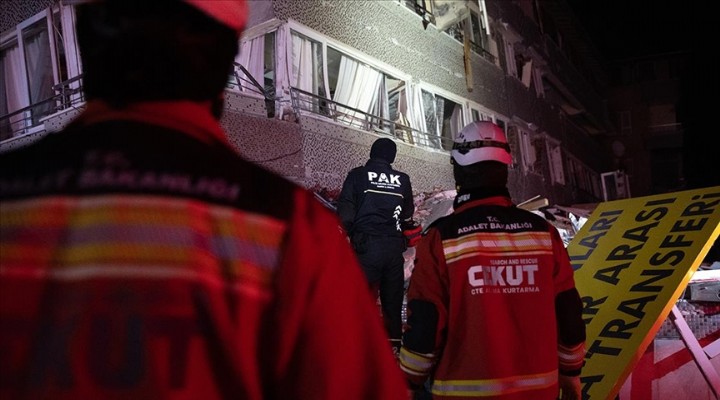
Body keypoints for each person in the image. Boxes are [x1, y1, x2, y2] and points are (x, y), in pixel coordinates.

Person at [0, 1, 408, 399]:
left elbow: (352, 210)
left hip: (369, 246)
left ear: (86, 36)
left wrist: (357, 233)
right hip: (387, 246)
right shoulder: (290, 229)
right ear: (224, 58)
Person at [398, 121, 586, 400]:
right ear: (505, 169)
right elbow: (568, 310)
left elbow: (426, 322)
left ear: (458, 170)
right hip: (539, 393)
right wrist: (571, 374)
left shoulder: (441, 238)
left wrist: (409, 381)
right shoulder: (544, 234)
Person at [336, 137, 420, 354]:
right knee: (392, 303)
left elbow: (345, 211)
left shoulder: (358, 176)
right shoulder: (403, 179)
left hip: (366, 247)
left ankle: (356, 347)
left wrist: (347, 234)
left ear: (372, 153)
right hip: (393, 248)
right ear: (391, 157)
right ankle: (393, 351)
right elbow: (408, 213)